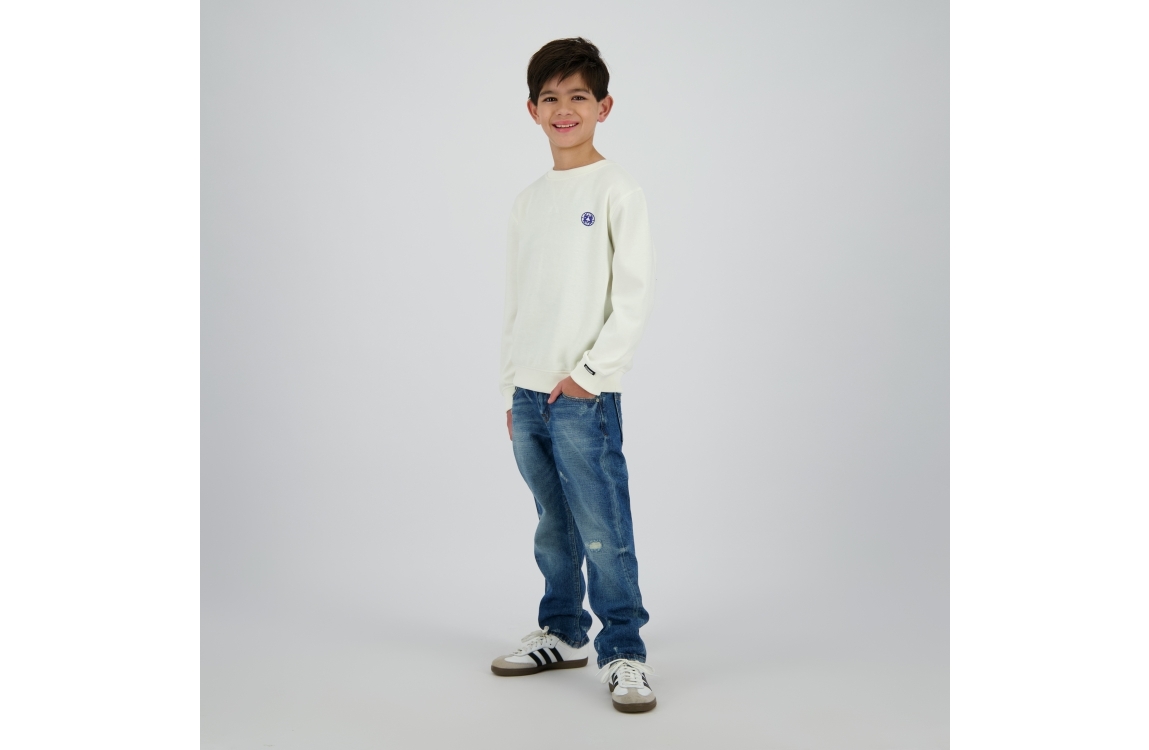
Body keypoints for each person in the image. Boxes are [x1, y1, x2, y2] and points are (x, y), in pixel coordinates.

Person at [492, 37, 658, 714]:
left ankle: (624, 651)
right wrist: (511, 388)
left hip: (583, 395)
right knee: (552, 526)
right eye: (551, 98)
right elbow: (518, 299)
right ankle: (562, 631)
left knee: (601, 528)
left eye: (579, 97)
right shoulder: (528, 201)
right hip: (530, 392)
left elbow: (633, 297)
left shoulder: (616, 189)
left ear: (603, 107)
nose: (565, 109)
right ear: (532, 110)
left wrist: (590, 375)